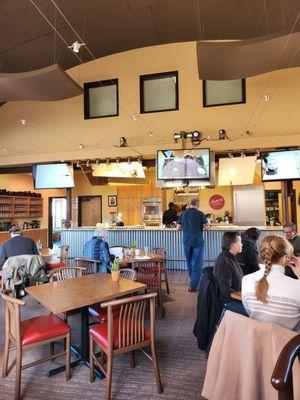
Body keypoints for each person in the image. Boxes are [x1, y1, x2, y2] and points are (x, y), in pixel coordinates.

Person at [242, 235, 300, 332]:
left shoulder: (245, 280)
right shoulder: (296, 286)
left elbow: (249, 312)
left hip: (255, 342)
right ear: (285, 258)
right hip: (289, 345)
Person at [177, 198, 208, 292]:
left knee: (189, 261)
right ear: (197, 205)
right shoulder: (200, 214)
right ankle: (193, 286)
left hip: (186, 241)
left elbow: (178, 228)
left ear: (190, 204)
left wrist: (185, 228)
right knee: (198, 263)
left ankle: (193, 280)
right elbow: (207, 228)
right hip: (197, 241)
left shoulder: (182, 214)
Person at [213, 231, 245, 312]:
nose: (242, 244)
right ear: (232, 244)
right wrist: (244, 297)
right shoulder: (225, 262)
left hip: (236, 298)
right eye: (240, 242)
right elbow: (226, 291)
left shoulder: (230, 257)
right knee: (255, 312)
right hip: (229, 303)